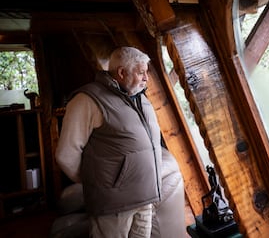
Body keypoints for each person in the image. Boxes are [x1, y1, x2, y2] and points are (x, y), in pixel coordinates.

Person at [56, 46, 185, 238]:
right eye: (141, 72)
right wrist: (97, 182)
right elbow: (66, 155)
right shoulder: (87, 100)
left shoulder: (141, 99)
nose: (146, 78)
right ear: (122, 72)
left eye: (146, 72)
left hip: (146, 199)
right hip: (113, 206)